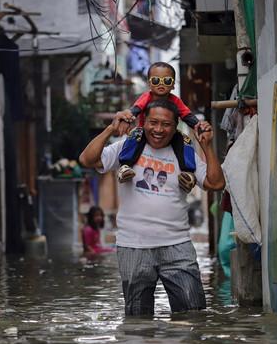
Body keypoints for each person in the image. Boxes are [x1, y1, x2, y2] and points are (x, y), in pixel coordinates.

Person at [79, 99, 225, 315]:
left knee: (193, 314)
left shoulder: (184, 151)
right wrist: (111, 128)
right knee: (138, 318)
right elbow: (87, 159)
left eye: (166, 125)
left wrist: (206, 147)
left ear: (175, 127)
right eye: (153, 122)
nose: (158, 130)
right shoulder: (128, 145)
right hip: (133, 246)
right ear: (144, 122)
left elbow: (216, 184)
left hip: (177, 245)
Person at [116, 62, 208, 194]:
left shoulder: (176, 100)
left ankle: (188, 174)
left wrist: (199, 127)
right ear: (149, 84)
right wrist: (125, 120)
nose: (161, 84)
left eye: (166, 80)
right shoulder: (146, 97)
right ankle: (125, 167)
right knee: (134, 135)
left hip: (170, 134)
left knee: (186, 141)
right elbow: (135, 109)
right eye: (155, 80)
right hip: (145, 132)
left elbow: (187, 115)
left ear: (173, 84)